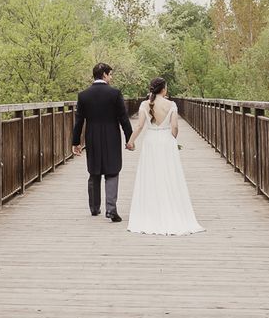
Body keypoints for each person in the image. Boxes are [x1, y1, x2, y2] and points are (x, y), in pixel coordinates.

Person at [126, 77, 205, 235]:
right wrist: (173, 139)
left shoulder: (144, 105)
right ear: (163, 89)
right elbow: (174, 127)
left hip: (151, 141)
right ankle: (171, 209)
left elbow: (140, 125)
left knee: (151, 175)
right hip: (166, 141)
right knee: (169, 174)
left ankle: (150, 213)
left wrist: (130, 141)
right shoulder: (171, 105)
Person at [72, 63, 133, 222]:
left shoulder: (83, 95)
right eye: (110, 74)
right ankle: (111, 209)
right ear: (104, 75)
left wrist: (76, 142)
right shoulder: (114, 93)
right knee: (112, 171)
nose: (111, 77)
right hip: (111, 136)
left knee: (94, 171)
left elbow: (79, 121)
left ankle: (94, 207)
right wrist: (129, 139)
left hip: (92, 136)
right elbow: (123, 118)